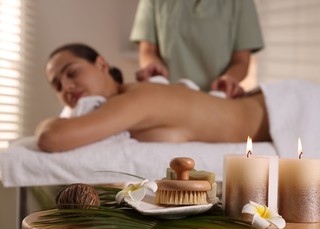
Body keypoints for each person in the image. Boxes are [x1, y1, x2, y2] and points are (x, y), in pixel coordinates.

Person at [36, 43, 270, 153]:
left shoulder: (135, 99)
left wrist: (49, 122)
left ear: (102, 64)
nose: (66, 86)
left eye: (72, 72)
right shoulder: (124, 107)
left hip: (280, 108)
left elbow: (51, 137)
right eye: (56, 85)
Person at [130, 0, 264, 98]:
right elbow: (147, 51)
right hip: (166, 100)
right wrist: (152, 67)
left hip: (218, 101)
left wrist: (229, 79)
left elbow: (241, 61)